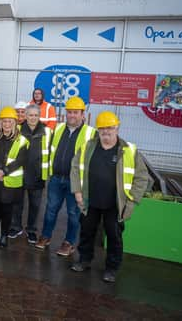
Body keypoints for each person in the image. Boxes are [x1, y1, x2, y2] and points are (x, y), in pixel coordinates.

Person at [70, 111, 150, 283]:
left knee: (114, 237)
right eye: (102, 129)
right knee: (86, 232)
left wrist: (132, 201)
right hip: (89, 201)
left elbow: (142, 178)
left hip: (115, 204)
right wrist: (77, 192)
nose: (106, 132)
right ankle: (84, 260)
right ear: (98, 130)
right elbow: (75, 168)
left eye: (110, 128)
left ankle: (112, 268)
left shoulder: (129, 150)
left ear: (117, 128)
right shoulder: (87, 147)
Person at [35, 96, 96, 256]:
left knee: (73, 214)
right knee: (50, 210)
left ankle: (69, 243)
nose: (72, 115)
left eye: (75, 112)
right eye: (69, 112)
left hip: (75, 183)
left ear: (83, 114)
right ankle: (46, 237)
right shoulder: (59, 129)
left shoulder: (91, 133)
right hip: (56, 178)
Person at [0, 107, 28, 247]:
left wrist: (4, 171)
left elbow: (21, 160)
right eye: (4, 121)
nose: (7, 125)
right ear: (0, 122)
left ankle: (4, 235)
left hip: (9, 182)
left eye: (10, 122)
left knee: (7, 211)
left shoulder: (22, 140)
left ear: (14, 123)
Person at [8, 104, 51, 243]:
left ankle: (31, 230)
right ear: (25, 116)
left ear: (39, 116)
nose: (33, 118)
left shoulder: (47, 131)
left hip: (37, 176)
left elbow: (51, 152)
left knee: (35, 205)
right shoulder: (18, 130)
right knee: (17, 203)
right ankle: (15, 226)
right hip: (20, 174)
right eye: (30, 115)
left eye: (36, 115)